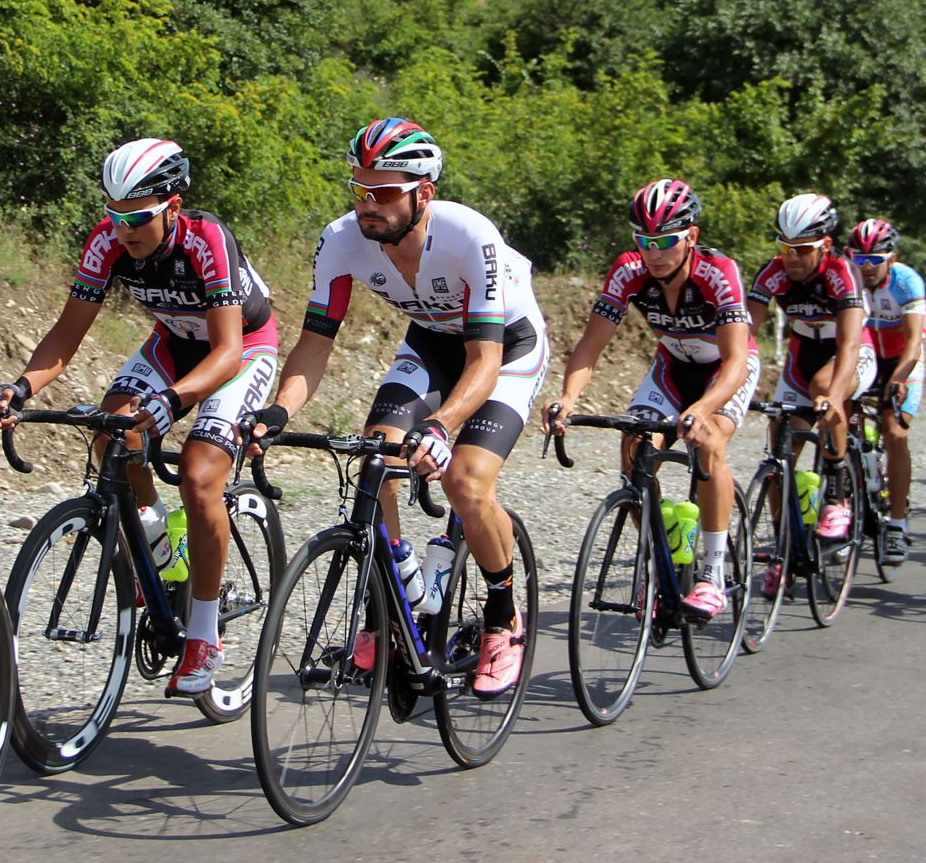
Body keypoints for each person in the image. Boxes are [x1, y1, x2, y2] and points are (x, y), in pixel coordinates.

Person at [250, 119, 547, 698]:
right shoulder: (340, 239)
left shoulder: (469, 235)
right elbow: (315, 343)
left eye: (384, 192)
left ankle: (503, 617)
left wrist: (440, 426)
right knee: (376, 457)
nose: (369, 205)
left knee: (466, 481)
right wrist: (277, 412)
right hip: (431, 342)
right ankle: (396, 600)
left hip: (505, 346)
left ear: (424, 193)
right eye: (360, 190)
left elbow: (483, 360)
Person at [0, 139, 279, 697]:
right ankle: (161, 547)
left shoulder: (207, 239)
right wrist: (19, 387)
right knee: (110, 434)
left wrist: (172, 402)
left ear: (173, 205)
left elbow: (227, 352)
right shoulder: (106, 242)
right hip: (172, 343)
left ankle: (204, 635)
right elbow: (67, 336)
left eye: (136, 216)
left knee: (198, 473)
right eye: (113, 214)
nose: (123, 229)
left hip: (237, 350)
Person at [543, 180, 755, 620]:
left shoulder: (719, 271)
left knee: (708, 440)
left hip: (723, 370)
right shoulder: (628, 270)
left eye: (664, 242)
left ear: (691, 236)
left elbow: (736, 361)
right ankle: (659, 556)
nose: (652, 253)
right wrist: (567, 397)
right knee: (635, 445)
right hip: (672, 366)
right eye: (643, 241)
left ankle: (712, 574)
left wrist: (703, 408)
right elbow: (590, 346)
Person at [745, 194, 874, 554]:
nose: (793, 258)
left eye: (803, 249)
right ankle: (783, 545)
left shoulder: (842, 272)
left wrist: (834, 395)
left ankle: (836, 492)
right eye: (786, 248)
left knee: (823, 386)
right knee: (780, 446)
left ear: (826, 245)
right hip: (802, 353)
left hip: (849, 352)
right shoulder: (772, 271)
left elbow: (849, 344)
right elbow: (746, 331)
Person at [847, 218, 926, 566]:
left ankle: (897, 524)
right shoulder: (847, 281)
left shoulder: (907, 282)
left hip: (902, 361)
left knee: (894, 432)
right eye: (857, 259)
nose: (864, 268)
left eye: (872, 261)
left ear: (890, 259)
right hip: (866, 357)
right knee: (840, 421)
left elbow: (913, 344)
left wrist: (898, 379)